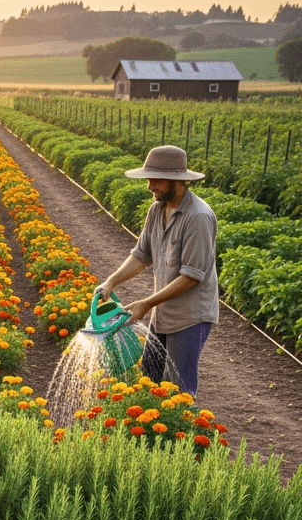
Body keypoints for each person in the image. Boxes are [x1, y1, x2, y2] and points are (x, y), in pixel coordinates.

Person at [93, 144, 218, 397]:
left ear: (176, 181)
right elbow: (141, 255)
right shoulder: (157, 209)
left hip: (190, 317)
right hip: (162, 311)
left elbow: (191, 277)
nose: (149, 186)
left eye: (155, 180)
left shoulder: (198, 217)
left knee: (177, 389)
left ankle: (182, 434)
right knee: (150, 377)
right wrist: (111, 282)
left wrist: (146, 303)